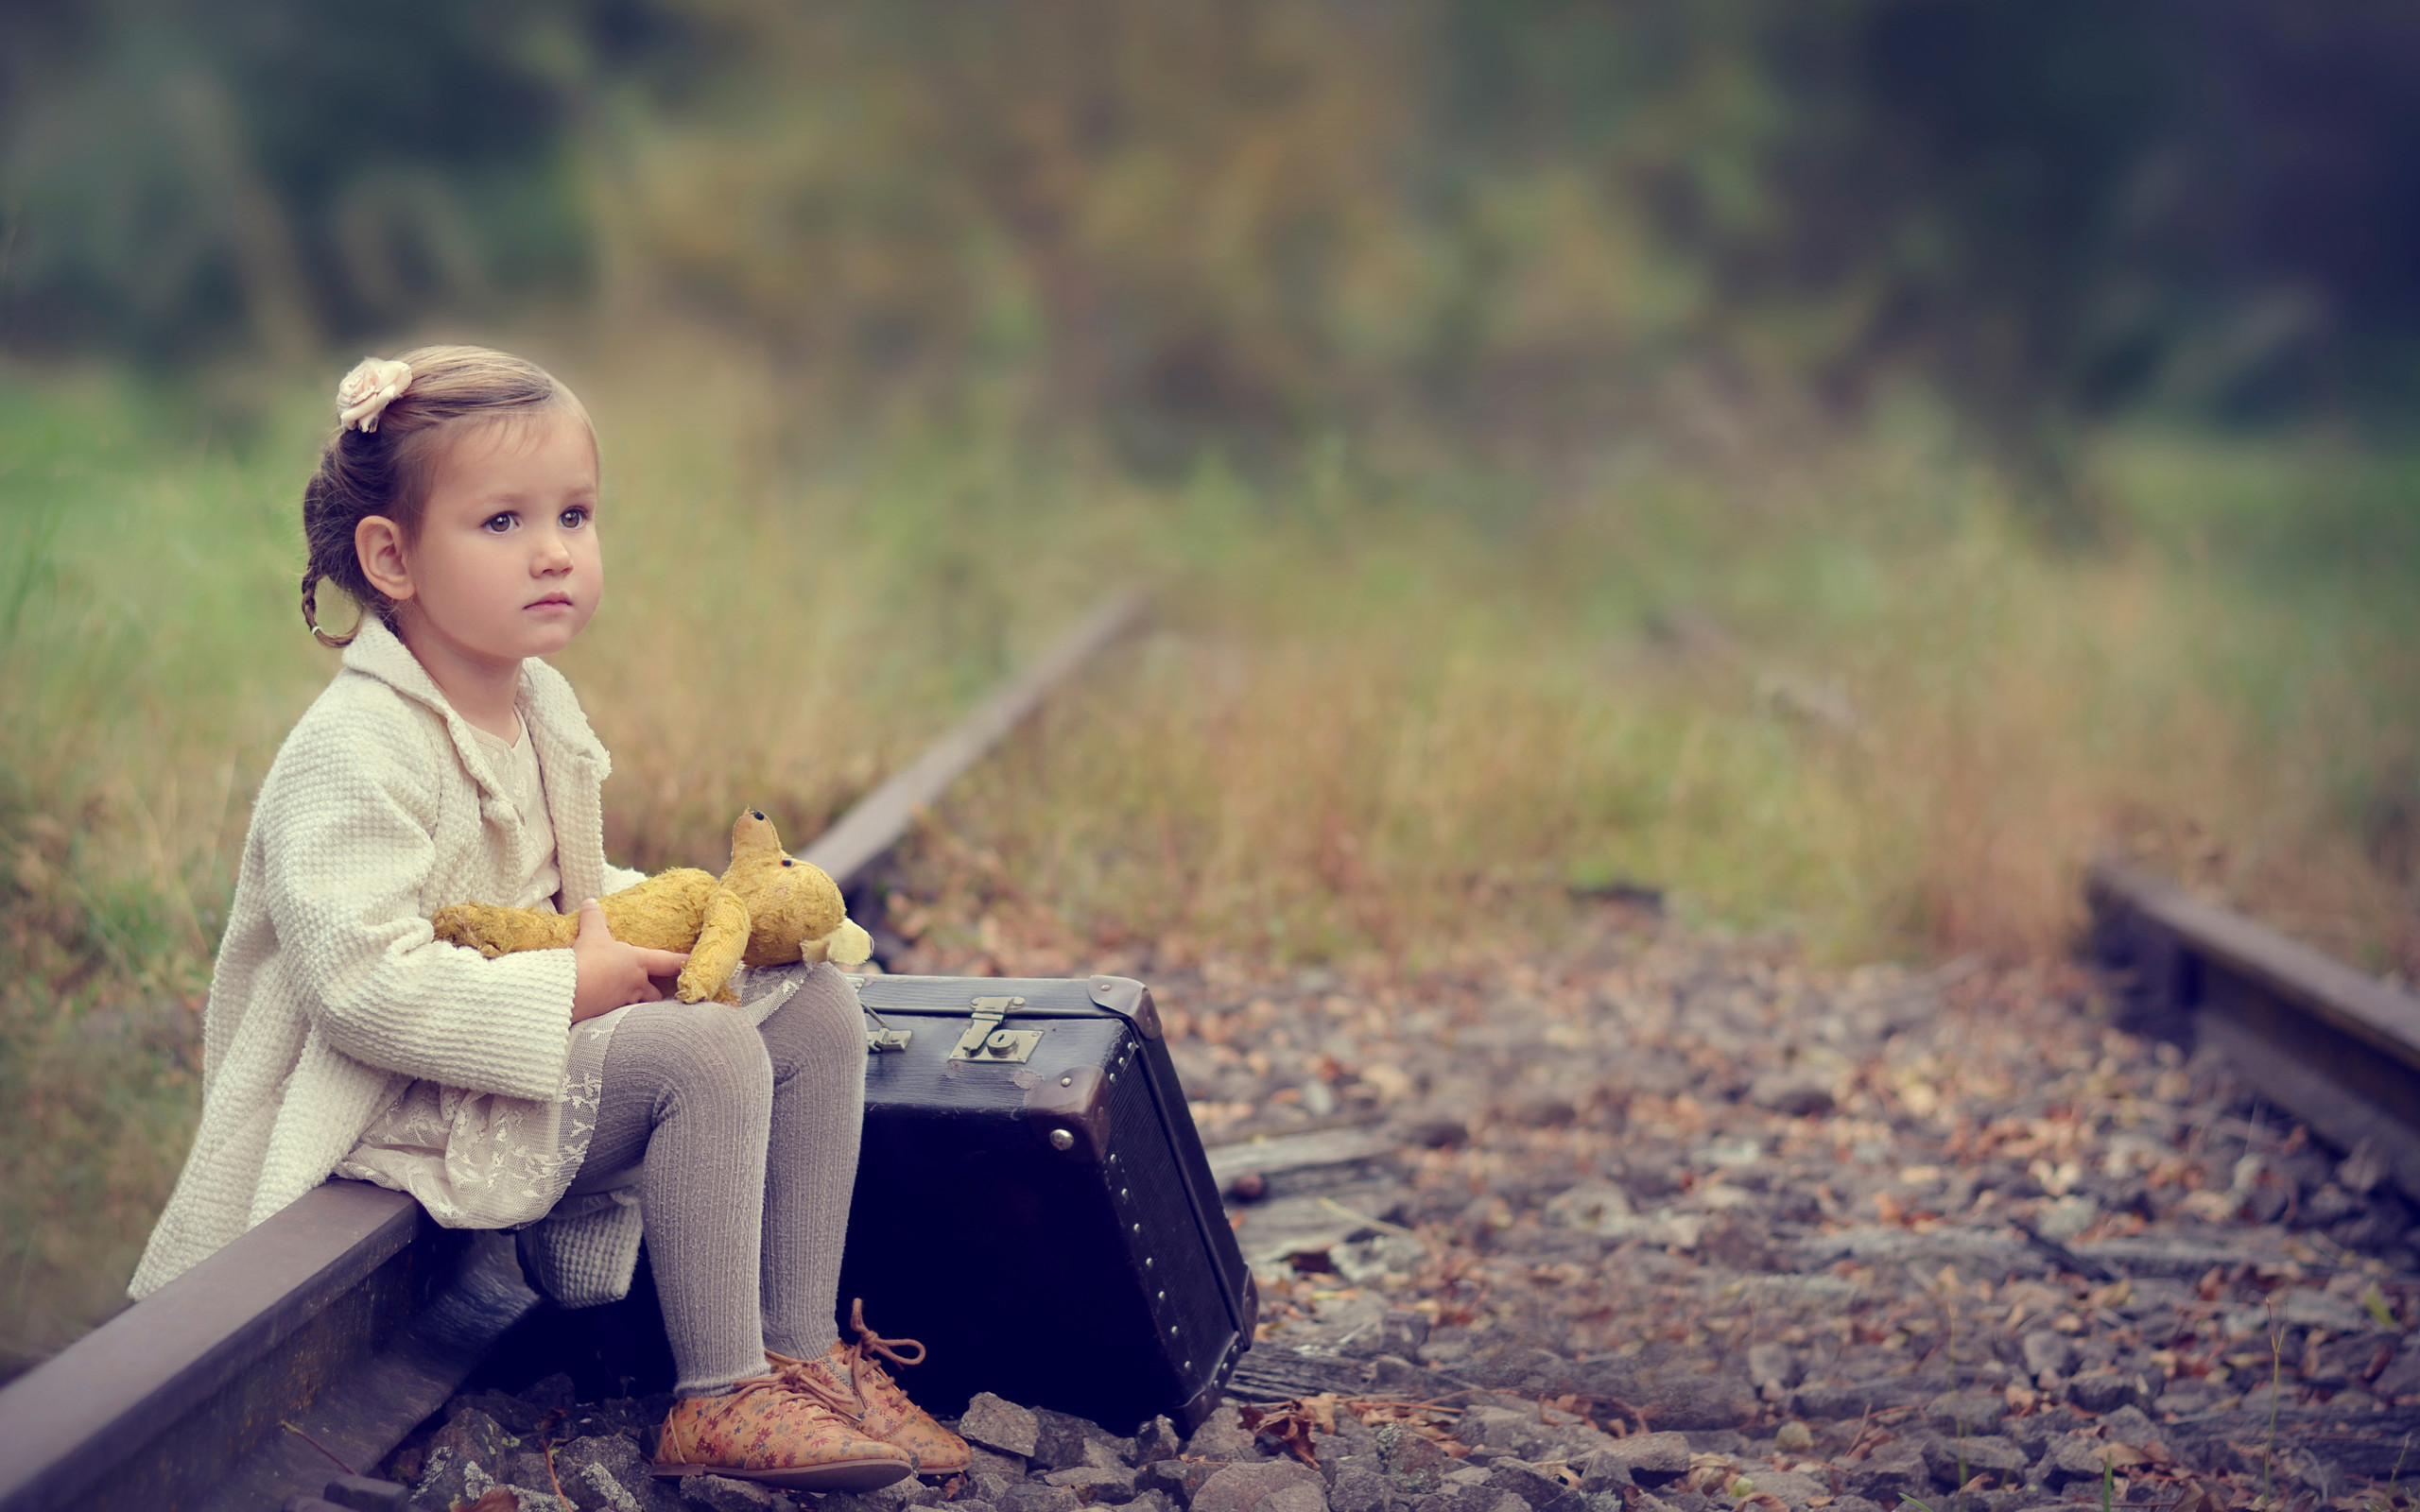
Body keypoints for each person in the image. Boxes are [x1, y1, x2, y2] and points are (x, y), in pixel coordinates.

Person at [127, 346, 967, 1492]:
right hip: (384, 1091)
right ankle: (719, 1392)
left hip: (502, 1040)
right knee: (704, 1050)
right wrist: (577, 985)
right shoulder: (352, 750)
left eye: (574, 514)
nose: (555, 550)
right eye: (503, 522)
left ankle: (802, 1352)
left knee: (816, 1006)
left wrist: (686, 922)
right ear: (391, 558)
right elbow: (362, 988)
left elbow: (561, 884)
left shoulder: (538, 699)